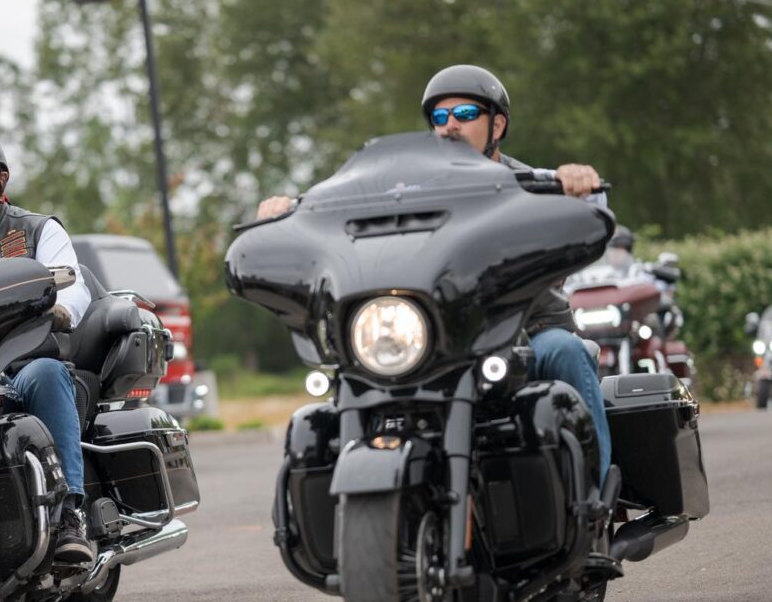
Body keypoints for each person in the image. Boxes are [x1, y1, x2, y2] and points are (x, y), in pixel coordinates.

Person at [256, 64, 612, 486]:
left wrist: (578, 185)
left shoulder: (530, 185)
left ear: (497, 125)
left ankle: (594, 494)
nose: (450, 125)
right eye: (440, 117)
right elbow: (350, 212)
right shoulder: (408, 191)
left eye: (464, 114)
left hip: (528, 333)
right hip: (437, 340)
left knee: (567, 351)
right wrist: (289, 210)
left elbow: (591, 213)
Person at [0, 129, 93, 563]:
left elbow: (73, 284)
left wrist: (58, 309)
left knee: (46, 374)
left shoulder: (37, 230)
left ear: (1, 178)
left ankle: (69, 514)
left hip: (21, 365)